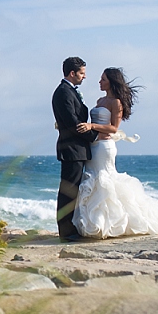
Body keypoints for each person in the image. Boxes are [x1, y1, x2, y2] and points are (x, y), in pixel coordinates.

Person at [73, 67, 158, 238]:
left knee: (104, 179)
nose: (99, 82)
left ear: (111, 81)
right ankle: (97, 222)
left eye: (103, 79)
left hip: (104, 147)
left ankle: (113, 223)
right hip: (93, 145)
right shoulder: (100, 100)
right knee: (93, 179)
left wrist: (91, 126)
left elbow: (113, 128)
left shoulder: (116, 103)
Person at [51, 57, 99, 242]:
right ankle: (66, 231)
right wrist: (94, 136)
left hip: (77, 148)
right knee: (68, 190)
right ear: (72, 73)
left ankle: (71, 226)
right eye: (82, 74)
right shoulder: (63, 92)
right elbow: (73, 123)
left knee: (74, 189)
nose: (84, 77)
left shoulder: (69, 91)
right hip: (72, 148)